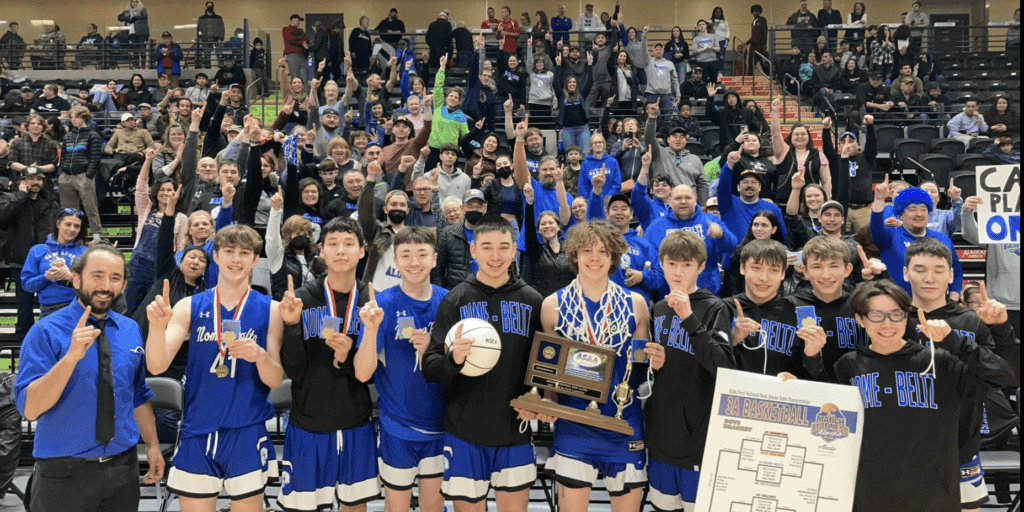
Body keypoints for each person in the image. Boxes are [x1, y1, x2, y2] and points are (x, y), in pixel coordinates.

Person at [832, 279, 1015, 510]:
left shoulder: (939, 361)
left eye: (896, 315)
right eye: (876, 315)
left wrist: (954, 342)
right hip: (870, 492)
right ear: (860, 319)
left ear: (906, 316)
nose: (887, 324)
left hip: (933, 494)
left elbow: (1005, 377)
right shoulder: (846, 366)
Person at [15, 244, 163, 512]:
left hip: (122, 469)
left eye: (115, 278)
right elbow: (30, 408)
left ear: (124, 284)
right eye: (97, 275)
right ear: (76, 278)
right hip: (63, 472)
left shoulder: (130, 329)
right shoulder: (45, 332)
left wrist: (152, 445)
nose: (105, 285)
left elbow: (137, 393)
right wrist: (69, 359)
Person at [146, 224, 285, 510]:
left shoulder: (271, 309)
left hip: (247, 428)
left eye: (244, 253)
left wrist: (260, 357)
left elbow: (274, 380)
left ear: (255, 259)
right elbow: (157, 365)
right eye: (229, 251)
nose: (236, 259)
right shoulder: (189, 305)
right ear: (217, 256)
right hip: (198, 428)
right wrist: (157, 328)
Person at [422, 216, 543, 511]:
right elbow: (430, 366)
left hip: (515, 430)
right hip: (465, 430)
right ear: (473, 251)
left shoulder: (532, 300)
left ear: (514, 250)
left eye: (503, 247)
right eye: (487, 247)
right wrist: (455, 359)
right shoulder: (455, 300)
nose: (496, 256)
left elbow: (543, 367)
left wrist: (538, 397)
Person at [539, 221, 651, 510]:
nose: (594, 258)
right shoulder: (552, 305)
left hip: (624, 421)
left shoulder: (637, 304)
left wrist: (654, 362)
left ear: (614, 257)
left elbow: (639, 368)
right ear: (574, 255)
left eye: (603, 251)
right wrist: (547, 403)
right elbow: (548, 372)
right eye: (587, 250)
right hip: (573, 422)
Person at [272, 217, 382, 511]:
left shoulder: (372, 305)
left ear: (362, 250)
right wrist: (293, 325)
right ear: (321, 250)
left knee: (355, 507)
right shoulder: (300, 300)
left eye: (349, 244)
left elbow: (369, 376)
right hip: (308, 423)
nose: (341, 251)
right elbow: (293, 371)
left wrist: (348, 357)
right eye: (333, 244)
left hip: (356, 423)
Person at [902, 238, 1018, 512]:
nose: (929, 277)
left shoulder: (973, 321)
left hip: (960, 443)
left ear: (952, 274)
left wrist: (1002, 329)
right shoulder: (893, 319)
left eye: (939, 269)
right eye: (919, 269)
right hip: (904, 442)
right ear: (905, 272)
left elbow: (1008, 375)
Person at [353, 227, 447, 512]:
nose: (414, 262)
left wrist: (434, 350)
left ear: (434, 259)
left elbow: (461, 366)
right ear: (395, 260)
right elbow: (362, 373)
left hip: (442, 425)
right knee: (396, 506)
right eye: (406, 255)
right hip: (398, 426)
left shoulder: (450, 301)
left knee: (434, 506)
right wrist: (370, 330)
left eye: (422, 254)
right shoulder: (382, 304)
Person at [644, 230, 734, 511]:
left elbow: (724, 367)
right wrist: (652, 366)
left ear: (701, 266)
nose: (678, 272)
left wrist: (689, 318)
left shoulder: (714, 307)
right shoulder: (658, 308)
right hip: (660, 436)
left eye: (686, 265)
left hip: (697, 439)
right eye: (671, 264)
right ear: (661, 264)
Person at [727, 239, 815, 378]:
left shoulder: (802, 313)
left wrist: (799, 380)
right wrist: (732, 340)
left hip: (782, 396)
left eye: (774, 270)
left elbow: (815, 372)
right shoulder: (722, 308)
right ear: (742, 268)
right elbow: (704, 366)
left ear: (783, 274)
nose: (764, 278)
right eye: (756, 268)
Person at [870, 179, 963, 298]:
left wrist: (953, 301)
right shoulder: (890, 235)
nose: (919, 214)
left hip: (934, 307)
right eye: (912, 209)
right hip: (897, 306)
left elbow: (956, 272)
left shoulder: (942, 239)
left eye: (923, 209)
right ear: (901, 214)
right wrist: (878, 200)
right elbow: (876, 228)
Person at [644, 176, 736, 295]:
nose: (683, 201)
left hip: (707, 295)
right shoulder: (656, 227)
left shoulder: (710, 220)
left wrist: (721, 235)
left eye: (688, 197)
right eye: (678, 198)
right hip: (668, 296)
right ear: (670, 201)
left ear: (695, 199)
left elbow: (732, 246)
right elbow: (647, 262)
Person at [0, 168, 61, 336]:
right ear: (21, 181)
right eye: (31, 178)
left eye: (39, 179)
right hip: (20, 259)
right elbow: (3, 216)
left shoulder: (50, 201)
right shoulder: (9, 198)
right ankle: (23, 344)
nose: (35, 182)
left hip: (46, 260)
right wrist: (21, 195)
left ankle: (49, 339)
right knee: (24, 307)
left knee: (52, 302)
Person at [962, 195, 1021, 339]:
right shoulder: (999, 222)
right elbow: (972, 235)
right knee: (1006, 354)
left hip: (1003, 303)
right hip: (1003, 305)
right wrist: (967, 213)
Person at [716, 150, 787, 259]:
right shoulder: (728, 204)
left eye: (753, 182)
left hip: (764, 260)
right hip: (734, 262)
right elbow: (722, 187)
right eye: (745, 182)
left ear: (759, 187)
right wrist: (729, 164)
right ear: (738, 187)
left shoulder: (772, 208)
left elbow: (783, 235)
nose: (749, 185)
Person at [20, 208, 89, 318]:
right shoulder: (37, 250)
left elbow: (94, 286)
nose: (72, 229)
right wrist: (46, 277)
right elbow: (27, 285)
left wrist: (71, 277)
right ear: (58, 224)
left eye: (77, 226)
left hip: (78, 309)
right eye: (68, 224)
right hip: (48, 310)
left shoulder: (85, 252)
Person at [59, 106, 105, 240]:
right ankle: (72, 237)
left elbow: (96, 157)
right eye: (72, 117)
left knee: (91, 207)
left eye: (77, 117)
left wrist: (89, 174)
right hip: (66, 176)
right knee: (68, 210)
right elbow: (63, 157)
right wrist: (61, 173)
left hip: (83, 175)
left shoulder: (93, 135)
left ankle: (96, 236)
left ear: (84, 117)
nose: (73, 119)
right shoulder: (67, 136)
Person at [432, 188, 491, 290]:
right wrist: (442, 295)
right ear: (462, 208)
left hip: (487, 291)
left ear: (484, 208)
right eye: (470, 206)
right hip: (457, 293)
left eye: (478, 206)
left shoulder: (493, 234)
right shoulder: (447, 234)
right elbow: (437, 270)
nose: (474, 210)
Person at [118, 0, 149, 69]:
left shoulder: (142, 10)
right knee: (135, 51)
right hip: (131, 34)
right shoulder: (127, 12)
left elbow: (144, 16)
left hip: (141, 33)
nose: (134, 3)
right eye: (132, 1)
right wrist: (129, 17)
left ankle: (143, 67)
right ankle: (137, 67)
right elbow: (120, 17)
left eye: (136, 1)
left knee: (142, 50)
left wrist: (134, 17)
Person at [283, 14, 309, 86]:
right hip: (292, 55)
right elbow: (290, 39)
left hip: (301, 55)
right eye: (298, 20)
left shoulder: (300, 30)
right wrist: (301, 42)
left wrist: (298, 41)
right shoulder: (285, 29)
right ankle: (296, 96)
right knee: (295, 78)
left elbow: (306, 40)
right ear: (293, 20)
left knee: (304, 78)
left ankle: (305, 96)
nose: (299, 22)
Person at [196, 2, 225, 67]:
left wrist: (220, 38)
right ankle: (207, 68)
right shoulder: (202, 18)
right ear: (206, 7)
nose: (210, 7)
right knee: (207, 56)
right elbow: (199, 30)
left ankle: (221, 68)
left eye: (211, 6)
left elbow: (222, 29)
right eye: (208, 6)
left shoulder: (218, 17)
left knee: (219, 55)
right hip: (205, 40)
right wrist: (200, 39)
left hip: (216, 39)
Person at [426, 12, 454, 76]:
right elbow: (449, 36)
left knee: (433, 67)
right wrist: (448, 46)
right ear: (445, 17)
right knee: (442, 66)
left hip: (433, 49)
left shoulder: (432, 24)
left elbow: (427, 37)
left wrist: (431, 45)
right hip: (443, 48)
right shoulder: (447, 24)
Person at [746, 6, 768, 75]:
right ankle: (749, 77)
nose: (755, 13)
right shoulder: (753, 21)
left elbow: (764, 32)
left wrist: (764, 44)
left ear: (760, 12)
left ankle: (770, 76)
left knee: (763, 63)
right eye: (754, 11)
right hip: (753, 45)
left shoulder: (762, 20)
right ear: (752, 12)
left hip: (760, 45)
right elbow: (753, 36)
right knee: (751, 63)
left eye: (757, 11)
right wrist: (746, 43)